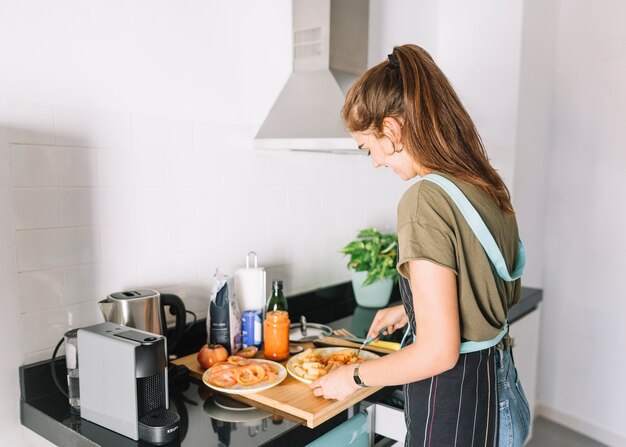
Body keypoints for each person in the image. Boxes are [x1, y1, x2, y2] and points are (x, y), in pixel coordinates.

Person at [309, 44, 531, 446]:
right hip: (504, 396)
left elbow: (438, 353)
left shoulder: (424, 199)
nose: (375, 161)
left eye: (367, 147)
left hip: (460, 406)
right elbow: (490, 292)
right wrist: (412, 311)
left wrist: (353, 377)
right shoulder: (484, 185)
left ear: (392, 130)